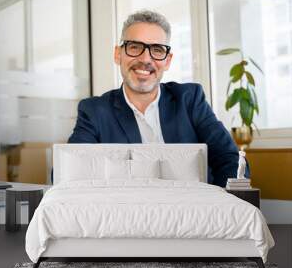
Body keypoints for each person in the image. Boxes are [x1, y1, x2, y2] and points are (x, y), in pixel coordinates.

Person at [68, 10, 246, 187]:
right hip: (127, 211)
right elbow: (69, 171)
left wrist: (215, 205)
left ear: (167, 61)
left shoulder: (189, 100)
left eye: (157, 50)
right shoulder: (94, 111)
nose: (145, 59)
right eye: (135, 47)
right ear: (118, 54)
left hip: (191, 209)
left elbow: (231, 160)